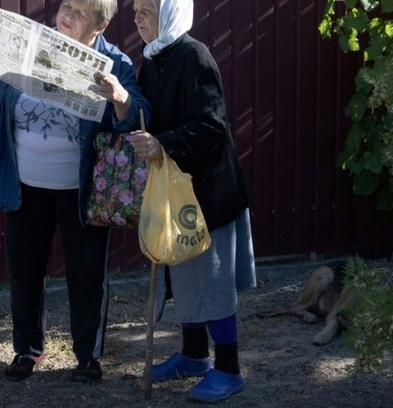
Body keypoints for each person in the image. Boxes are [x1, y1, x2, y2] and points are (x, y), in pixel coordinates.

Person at [0, 0, 151, 383]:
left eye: (79, 12)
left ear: (100, 24)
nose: (66, 16)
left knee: (87, 273)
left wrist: (119, 97)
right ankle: (27, 351)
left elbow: (141, 114)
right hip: (23, 182)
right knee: (24, 270)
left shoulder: (116, 63)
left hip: (81, 189)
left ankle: (87, 358)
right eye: (65, 5)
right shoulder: (31, 43)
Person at [129, 0, 256, 402]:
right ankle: (195, 355)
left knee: (210, 279)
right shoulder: (153, 60)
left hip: (208, 192)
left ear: (169, 12)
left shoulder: (194, 56)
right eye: (135, 9)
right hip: (176, 189)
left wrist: (162, 143)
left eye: (146, 9)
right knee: (183, 272)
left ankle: (229, 367)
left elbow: (211, 125)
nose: (137, 18)